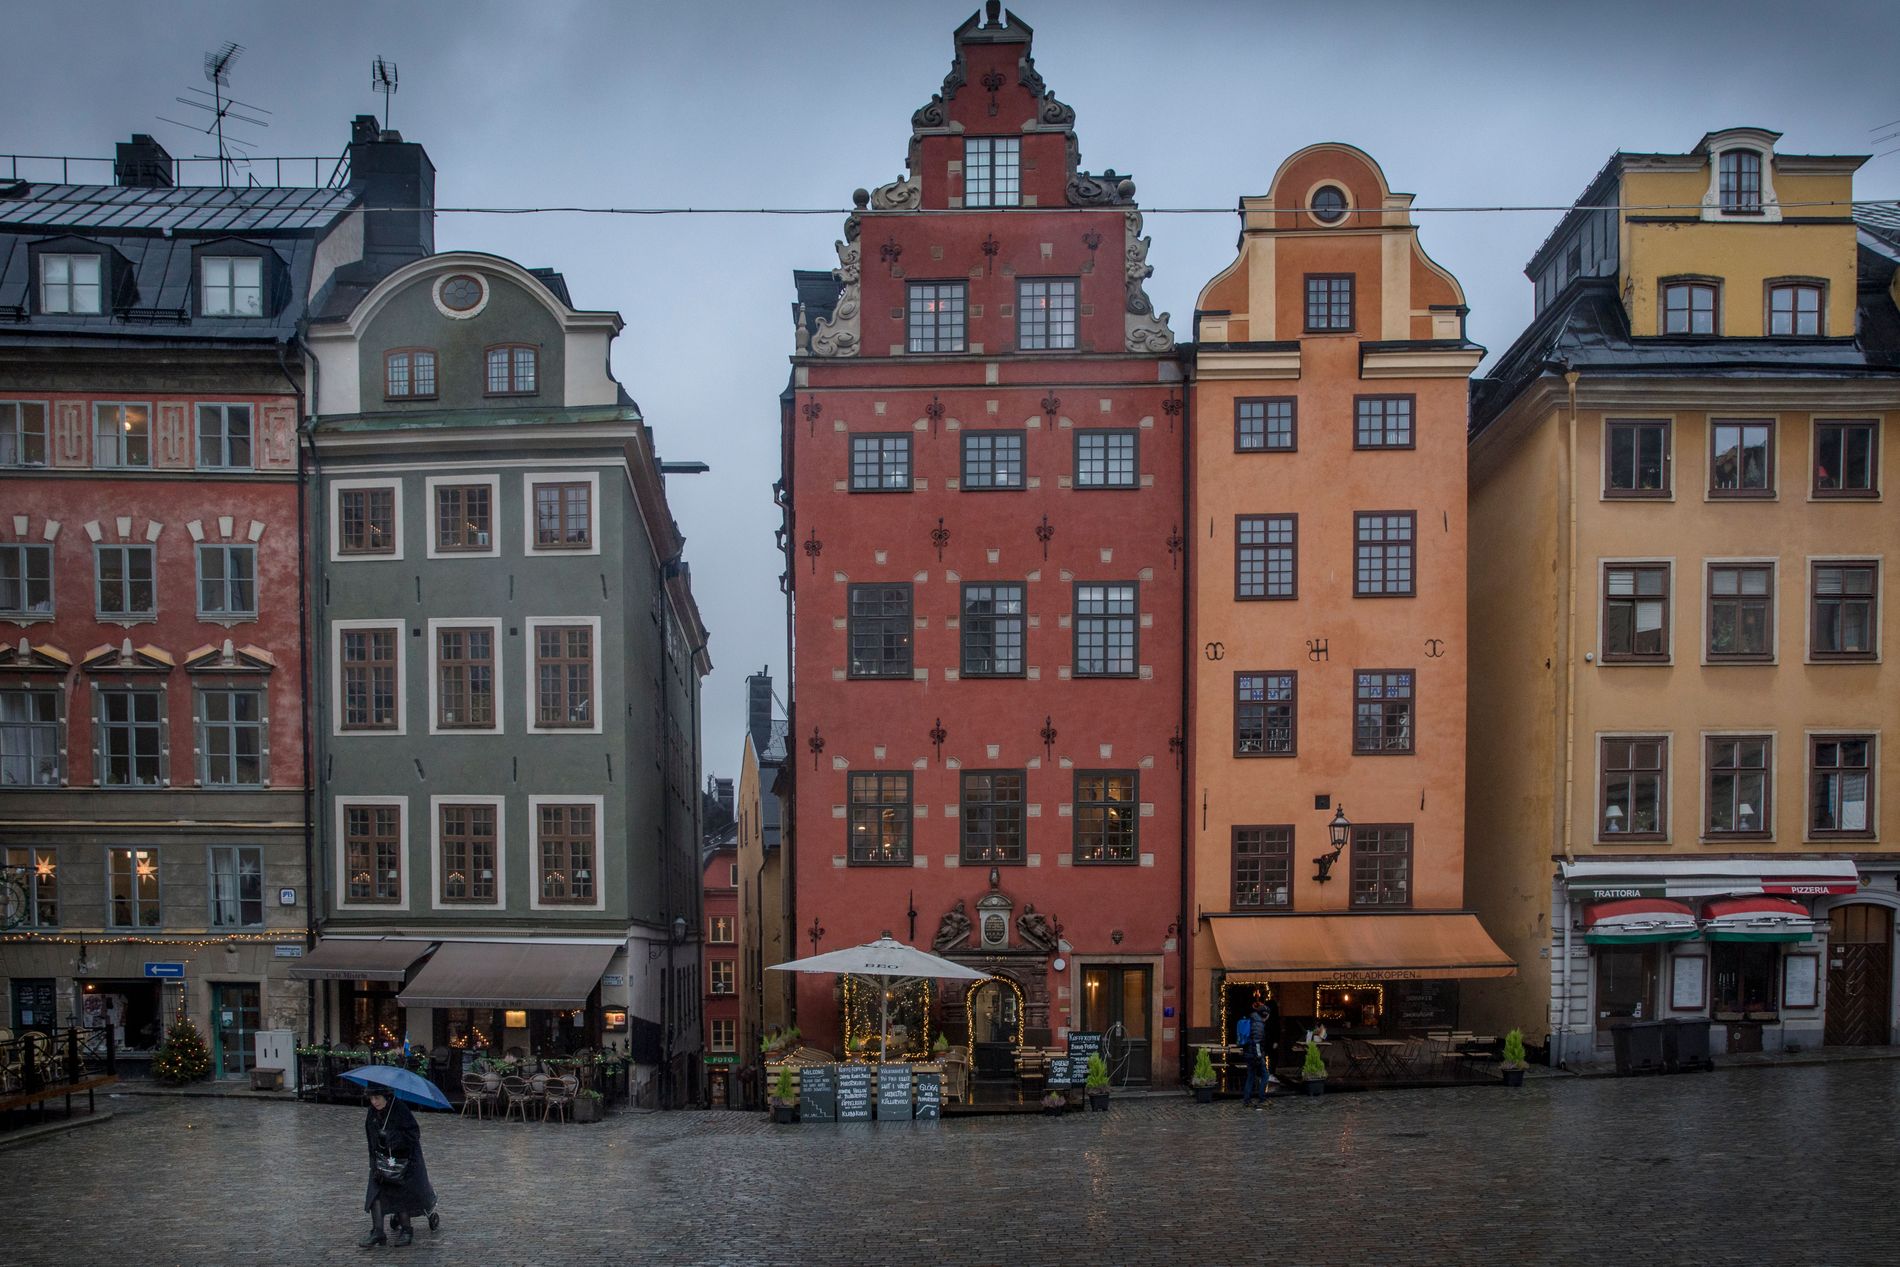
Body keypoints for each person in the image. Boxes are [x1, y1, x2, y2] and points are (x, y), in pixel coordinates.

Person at [360, 1091, 436, 1247]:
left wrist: (391, 1138)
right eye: (372, 1098)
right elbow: (370, 1138)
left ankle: (407, 1230)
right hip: (381, 1160)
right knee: (375, 1193)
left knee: (400, 1193)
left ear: (385, 1096)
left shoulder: (400, 1110)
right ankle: (378, 1231)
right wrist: (374, 1161)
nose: (374, 1101)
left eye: (377, 1097)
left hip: (404, 1161)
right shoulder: (372, 1113)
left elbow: (413, 1134)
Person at [1238, 1002, 1270, 1110]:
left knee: (1251, 1076)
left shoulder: (1252, 1020)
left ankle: (1247, 1100)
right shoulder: (1259, 1024)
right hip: (1255, 1055)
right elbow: (1257, 1042)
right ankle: (1262, 1098)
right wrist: (1259, 1057)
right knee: (1265, 1075)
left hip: (1248, 1053)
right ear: (1265, 1015)